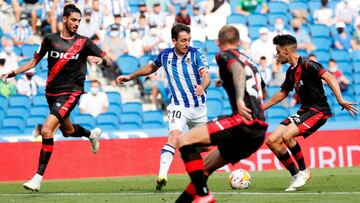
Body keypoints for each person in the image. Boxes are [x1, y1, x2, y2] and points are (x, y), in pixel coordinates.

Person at [0, 4, 112, 192]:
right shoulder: (49, 40)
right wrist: (14, 72)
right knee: (67, 131)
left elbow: (108, 61)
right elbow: (34, 61)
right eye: (74, 20)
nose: (77, 23)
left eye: (79, 20)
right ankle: (92, 135)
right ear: (64, 19)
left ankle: (37, 178)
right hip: (51, 92)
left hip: (71, 92)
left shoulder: (84, 42)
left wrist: (101, 61)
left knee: (46, 131)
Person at [174, 25, 267, 202]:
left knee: (183, 140)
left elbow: (238, 71)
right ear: (239, 42)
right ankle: (196, 196)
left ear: (218, 42)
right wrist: (226, 80)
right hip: (258, 132)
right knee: (203, 171)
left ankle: (204, 195)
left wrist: (239, 99)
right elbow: (261, 88)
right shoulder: (251, 62)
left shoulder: (223, 55)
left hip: (243, 122)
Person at [116, 23, 211, 191]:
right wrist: (130, 76)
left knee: (207, 146)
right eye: (183, 40)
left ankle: (187, 146)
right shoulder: (165, 55)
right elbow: (151, 67)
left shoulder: (196, 55)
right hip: (178, 106)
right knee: (173, 137)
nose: (187, 43)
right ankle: (162, 175)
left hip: (198, 107)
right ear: (174, 40)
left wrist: (203, 86)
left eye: (189, 40)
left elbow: (206, 76)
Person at [264, 34, 358, 192]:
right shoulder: (290, 72)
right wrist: (261, 108)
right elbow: (282, 93)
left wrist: (340, 99)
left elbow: (329, 76)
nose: (277, 55)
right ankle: (296, 175)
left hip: (318, 110)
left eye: (278, 51)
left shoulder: (308, 64)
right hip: (304, 110)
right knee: (272, 141)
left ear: (287, 50)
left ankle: (303, 171)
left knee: (287, 135)